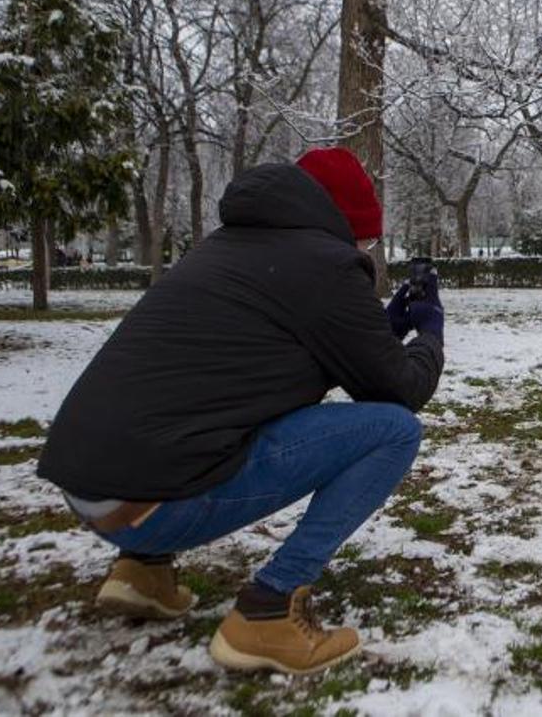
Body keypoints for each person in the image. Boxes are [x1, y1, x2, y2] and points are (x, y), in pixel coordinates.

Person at [37, 147, 445, 675]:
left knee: (203, 407)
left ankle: (142, 574)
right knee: (393, 432)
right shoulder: (326, 265)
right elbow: (401, 389)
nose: (365, 249)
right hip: (154, 504)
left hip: (90, 488)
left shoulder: (226, 249)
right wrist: (430, 330)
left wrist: (382, 327)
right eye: (365, 238)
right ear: (345, 226)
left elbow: (281, 358)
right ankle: (267, 611)